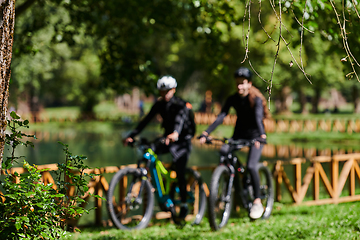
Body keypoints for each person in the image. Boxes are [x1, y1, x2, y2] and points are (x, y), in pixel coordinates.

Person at [199, 67, 271, 220]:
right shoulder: (232, 99)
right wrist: (206, 133)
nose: (240, 86)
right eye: (237, 83)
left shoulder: (256, 99)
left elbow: (259, 119)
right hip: (238, 134)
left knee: (251, 166)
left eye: (243, 83)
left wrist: (261, 136)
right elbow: (221, 117)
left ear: (249, 84)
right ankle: (227, 184)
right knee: (224, 151)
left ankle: (257, 201)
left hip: (255, 136)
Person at [124, 76, 194, 220]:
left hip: (182, 141)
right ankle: (159, 188)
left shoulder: (180, 104)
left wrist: (175, 133)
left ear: (173, 90)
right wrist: (132, 135)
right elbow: (146, 120)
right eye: (162, 91)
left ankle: (184, 204)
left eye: (167, 90)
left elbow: (180, 120)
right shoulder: (159, 104)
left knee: (180, 170)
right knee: (149, 151)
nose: (165, 94)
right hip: (167, 139)